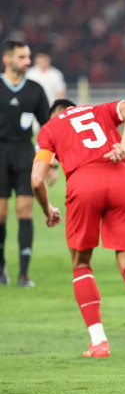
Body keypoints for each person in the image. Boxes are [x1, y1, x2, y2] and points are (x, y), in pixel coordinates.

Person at [31, 99, 125, 357]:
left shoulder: (49, 129)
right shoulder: (97, 110)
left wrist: (47, 208)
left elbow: (37, 179)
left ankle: (99, 341)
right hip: (119, 178)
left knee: (81, 262)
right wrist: (124, 146)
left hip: (83, 183)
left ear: (55, 115)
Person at [0, 40, 50, 288]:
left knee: (24, 211)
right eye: (22, 57)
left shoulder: (35, 90)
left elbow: (48, 128)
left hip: (24, 153)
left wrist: (51, 162)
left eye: (28, 56)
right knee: (0, 213)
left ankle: (24, 274)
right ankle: (1, 267)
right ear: (7, 60)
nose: (28, 62)